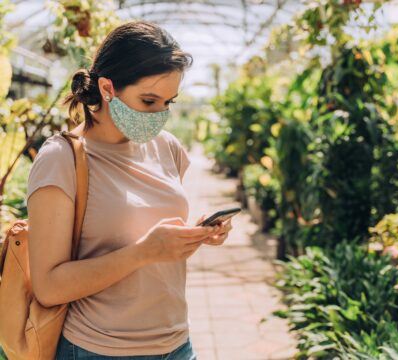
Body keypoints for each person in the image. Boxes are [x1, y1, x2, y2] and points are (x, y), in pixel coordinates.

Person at [26, 20, 232, 359]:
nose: (160, 115)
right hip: (99, 349)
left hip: (177, 344)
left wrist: (196, 234)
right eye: (149, 101)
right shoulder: (61, 159)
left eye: (170, 102)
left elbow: (148, 227)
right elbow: (48, 287)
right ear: (107, 88)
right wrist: (144, 252)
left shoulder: (166, 147)